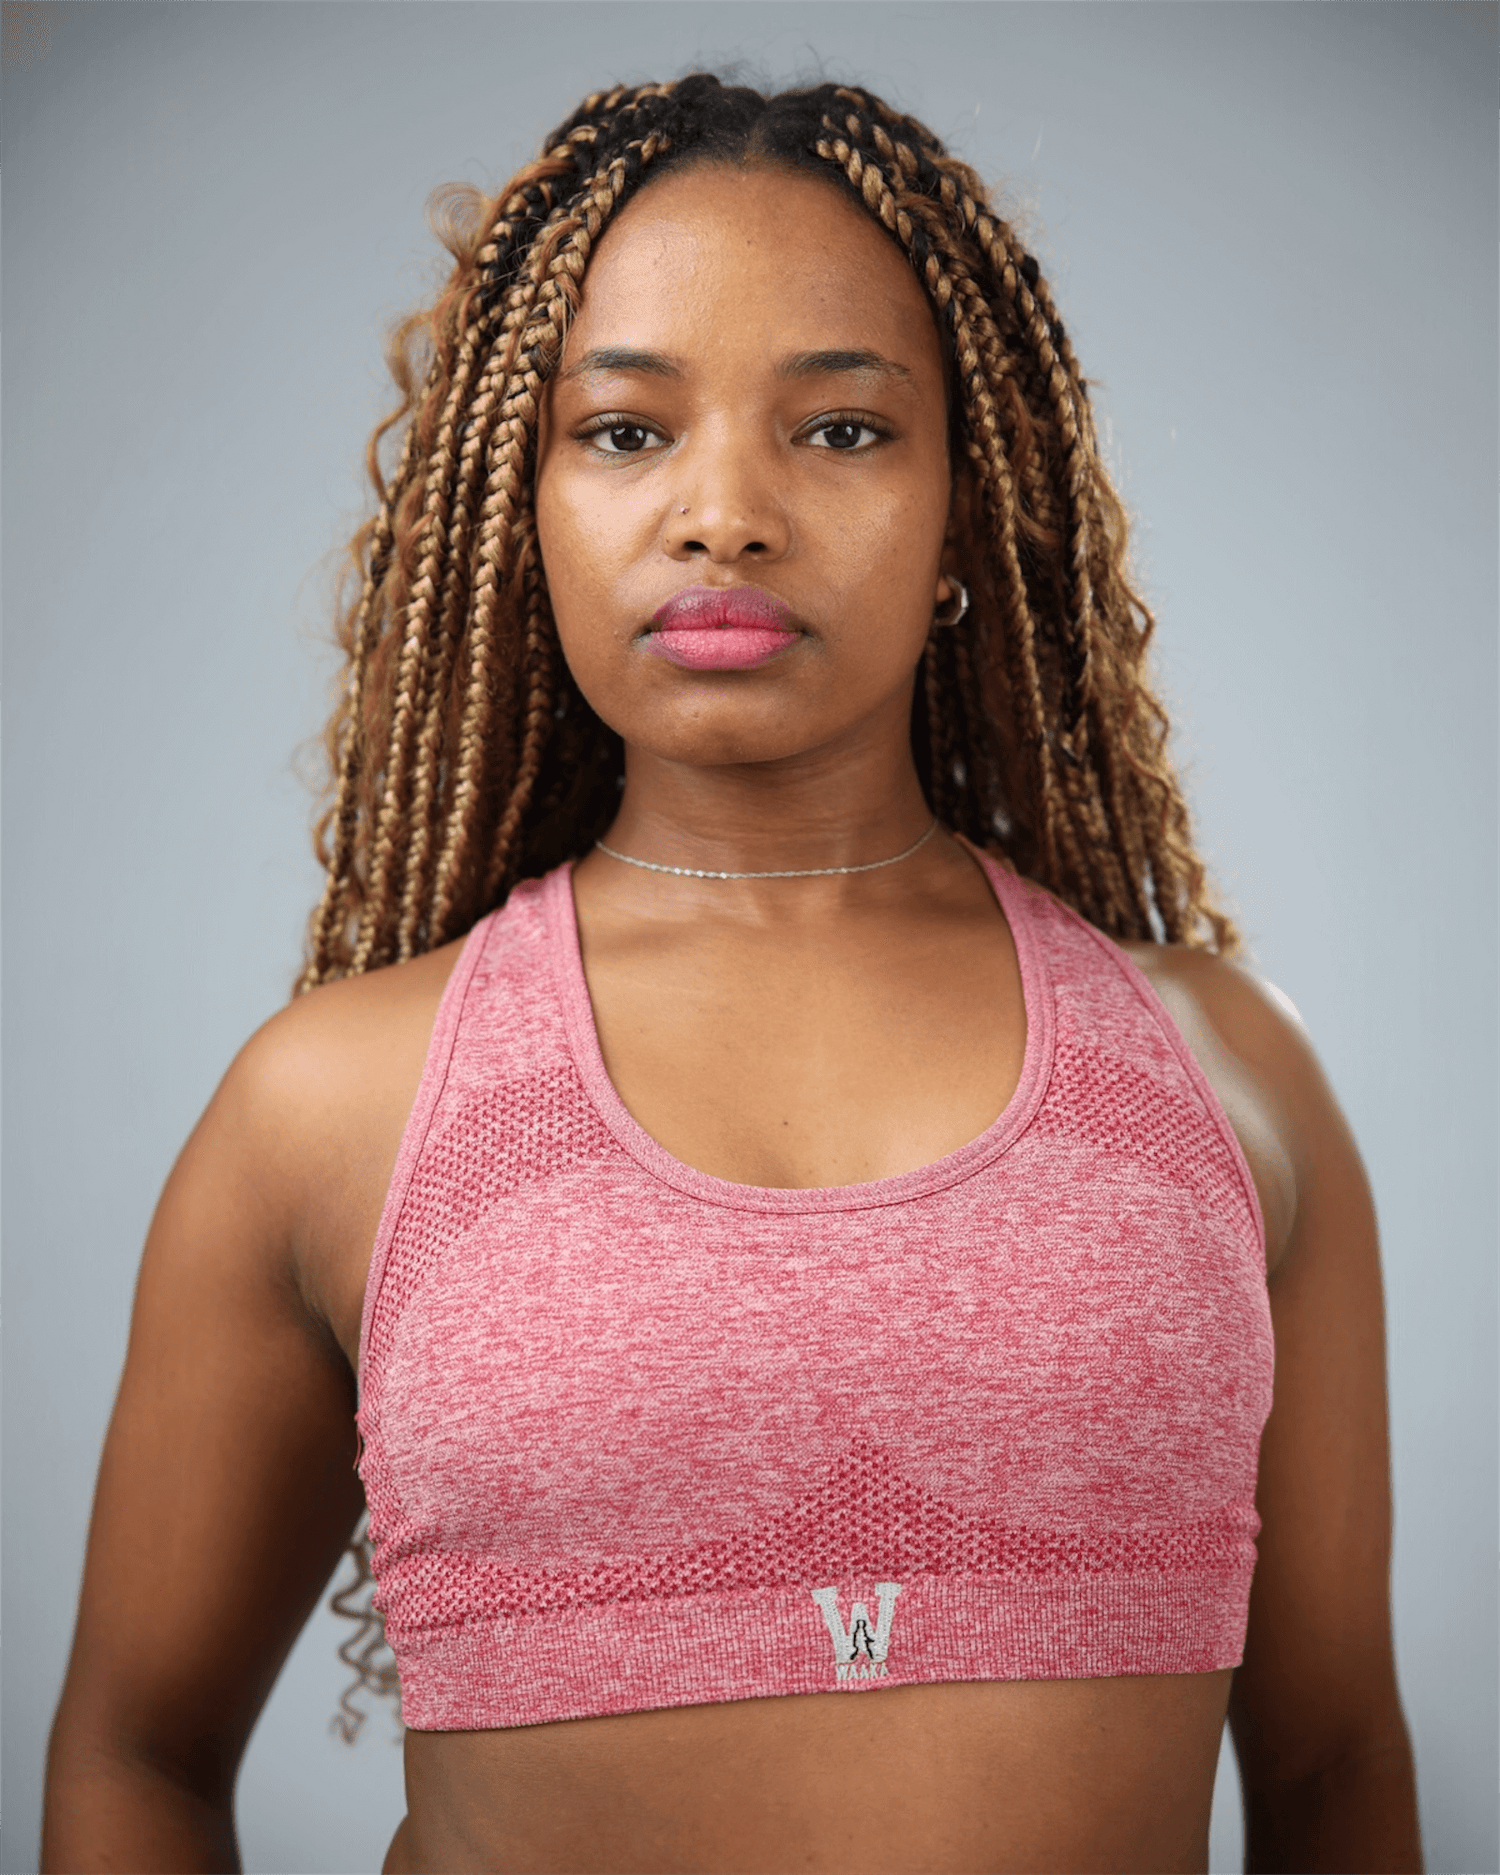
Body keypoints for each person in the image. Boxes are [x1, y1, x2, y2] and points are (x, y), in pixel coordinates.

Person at [42, 74, 1421, 1875]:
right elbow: (136, 1751)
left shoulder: (1224, 1083)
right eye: (624, 432)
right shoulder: (332, 1105)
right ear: (514, 505)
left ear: (966, 511)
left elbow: (1329, 1769)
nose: (726, 514)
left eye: (839, 432)